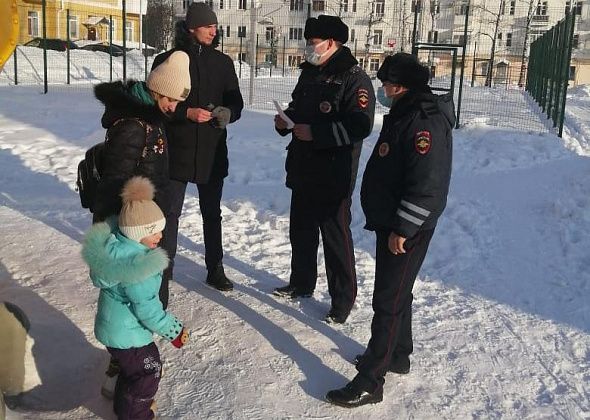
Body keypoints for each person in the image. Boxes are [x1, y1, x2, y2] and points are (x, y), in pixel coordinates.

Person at [325, 53, 454, 407]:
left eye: (385, 84)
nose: (381, 90)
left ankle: (371, 380)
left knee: (388, 300)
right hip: (393, 222)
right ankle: (397, 354)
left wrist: (404, 227)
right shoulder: (405, 112)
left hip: (405, 227)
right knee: (399, 292)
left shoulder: (422, 121)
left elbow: (429, 185)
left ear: (399, 86)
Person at [272, 15, 375, 324]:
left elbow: (361, 125)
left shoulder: (354, 78)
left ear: (331, 43)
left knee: (335, 238)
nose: (309, 48)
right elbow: (298, 109)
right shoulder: (311, 74)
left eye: (313, 43)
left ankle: (342, 301)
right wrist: (285, 120)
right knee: (300, 231)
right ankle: (301, 283)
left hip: (334, 174)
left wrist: (317, 133)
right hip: (303, 167)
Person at [152, 2, 244, 294]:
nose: (213, 32)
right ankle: (164, 270)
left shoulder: (223, 63)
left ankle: (215, 269)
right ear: (192, 28)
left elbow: (236, 102)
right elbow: (152, 104)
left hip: (211, 150)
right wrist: (185, 113)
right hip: (175, 150)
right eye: (208, 27)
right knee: (169, 213)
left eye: (215, 27)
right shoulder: (167, 59)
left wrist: (227, 113)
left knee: (211, 213)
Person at [82, 176, 189, 420]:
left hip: (113, 330)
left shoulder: (116, 247)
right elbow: (148, 310)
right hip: (129, 335)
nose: (160, 237)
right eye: (154, 233)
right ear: (136, 232)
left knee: (132, 372)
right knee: (147, 372)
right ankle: (135, 415)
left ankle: (123, 405)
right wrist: (174, 331)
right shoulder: (139, 266)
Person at [92, 50, 191, 234]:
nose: (173, 107)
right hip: (129, 225)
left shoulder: (153, 118)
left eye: (178, 102)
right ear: (156, 91)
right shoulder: (133, 126)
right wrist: (112, 236)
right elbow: (113, 184)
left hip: (143, 219)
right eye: (170, 99)